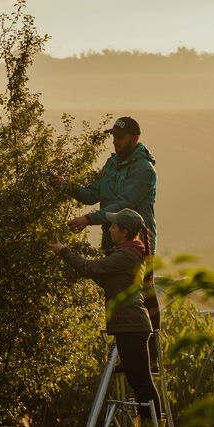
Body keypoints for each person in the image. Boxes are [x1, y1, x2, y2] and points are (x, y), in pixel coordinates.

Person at [47, 208, 160, 420]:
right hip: (129, 325)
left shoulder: (126, 255)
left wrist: (64, 251)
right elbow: (106, 278)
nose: (109, 229)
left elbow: (90, 269)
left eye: (114, 226)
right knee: (138, 381)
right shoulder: (130, 253)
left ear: (124, 231)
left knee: (141, 381)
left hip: (131, 326)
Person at [51, 116, 160, 329]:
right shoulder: (112, 164)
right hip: (114, 239)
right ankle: (122, 354)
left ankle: (152, 354)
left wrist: (88, 219)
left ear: (135, 138)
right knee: (115, 295)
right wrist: (66, 186)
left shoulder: (144, 171)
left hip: (140, 246)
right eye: (114, 137)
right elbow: (93, 194)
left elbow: (123, 203)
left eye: (120, 137)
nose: (115, 141)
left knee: (144, 296)